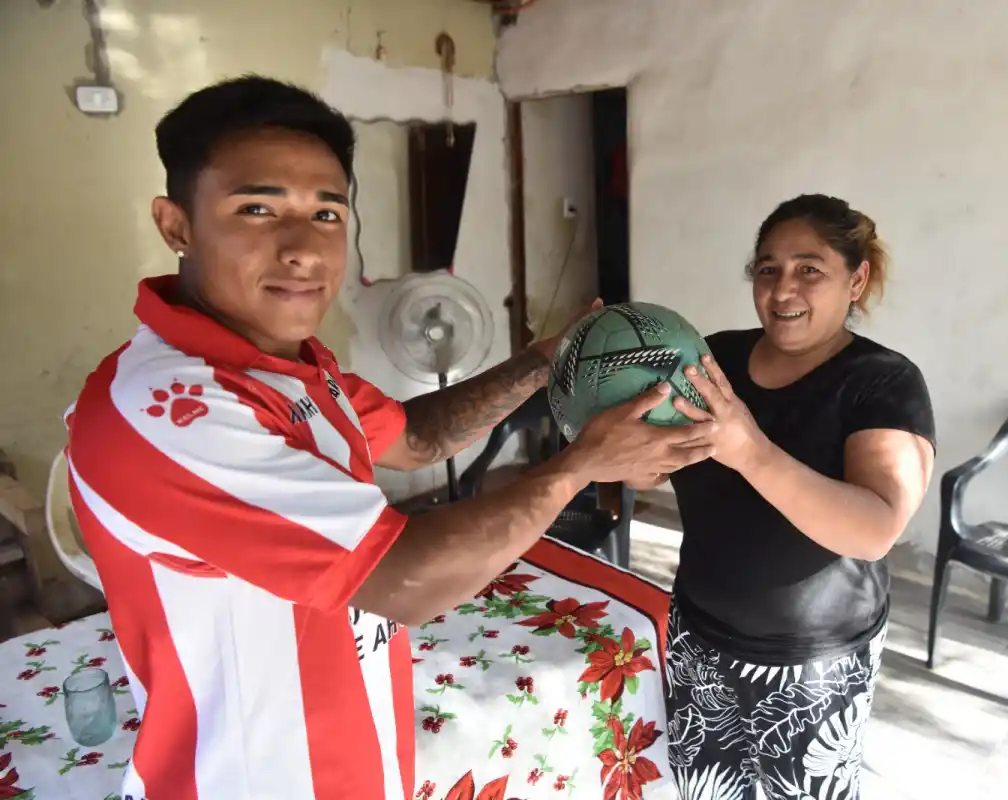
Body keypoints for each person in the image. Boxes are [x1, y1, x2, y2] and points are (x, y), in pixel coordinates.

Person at [64, 76, 716, 800]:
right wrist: (581, 465)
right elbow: (406, 582)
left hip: (357, 762)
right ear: (176, 225)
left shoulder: (290, 369)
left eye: (326, 213)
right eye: (257, 209)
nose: (303, 250)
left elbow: (416, 438)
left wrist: (543, 361)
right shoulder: (168, 411)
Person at [639, 194, 936, 799]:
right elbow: (647, 471)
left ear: (857, 280)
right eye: (768, 268)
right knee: (700, 789)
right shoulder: (713, 358)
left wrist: (751, 451)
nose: (783, 289)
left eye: (810, 269)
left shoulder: (883, 383)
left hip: (814, 665)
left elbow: (875, 529)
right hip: (699, 633)